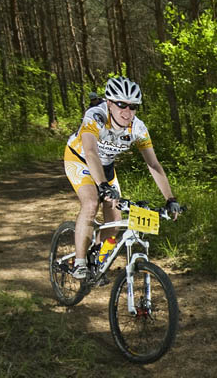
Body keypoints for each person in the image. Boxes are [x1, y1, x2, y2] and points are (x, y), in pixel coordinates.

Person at [64, 75, 182, 279]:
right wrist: (102, 185)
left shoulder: (138, 128)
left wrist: (170, 199)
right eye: (121, 104)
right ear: (109, 103)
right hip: (80, 160)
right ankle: (80, 263)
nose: (127, 112)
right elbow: (90, 152)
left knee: (115, 222)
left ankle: (96, 257)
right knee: (91, 203)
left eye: (133, 106)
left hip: (106, 167)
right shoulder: (96, 116)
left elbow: (153, 164)